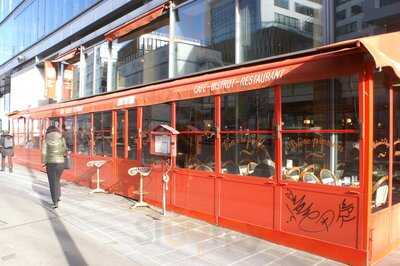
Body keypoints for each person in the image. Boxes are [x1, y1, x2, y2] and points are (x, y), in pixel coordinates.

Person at [42, 126, 66, 208]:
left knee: (52, 182)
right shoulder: (61, 139)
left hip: (51, 163)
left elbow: (44, 153)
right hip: (61, 163)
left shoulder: (46, 140)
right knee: (57, 180)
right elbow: (65, 149)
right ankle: (58, 196)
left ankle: (55, 202)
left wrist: (43, 162)